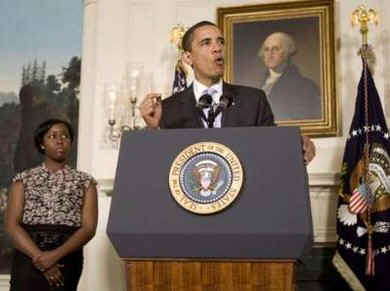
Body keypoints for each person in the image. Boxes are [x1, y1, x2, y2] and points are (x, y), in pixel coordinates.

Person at [140, 21, 315, 164]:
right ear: (188, 57)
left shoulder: (253, 100)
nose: (217, 48)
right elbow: (158, 164)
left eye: (220, 42)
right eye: (206, 43)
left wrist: (297, 145)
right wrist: (154, 129)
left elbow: (272, 147)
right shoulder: (169, 107)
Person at [5, 119, 98, 291]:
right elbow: (12, 225)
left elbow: (89, 228)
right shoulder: (22, 180)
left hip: (67, 256)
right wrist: (41, 258)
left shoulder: (86, 182)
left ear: (71, 142)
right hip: (28, 255)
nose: (60, 140)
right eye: (52, 136)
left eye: (65, 136)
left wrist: (54, 256)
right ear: (42, 144)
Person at [258, 32, 321, 121]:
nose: (270, 54)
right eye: (266, 49)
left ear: (287, 53)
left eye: (275, 49)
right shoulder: (257, 83)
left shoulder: (305, 86)